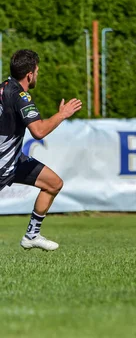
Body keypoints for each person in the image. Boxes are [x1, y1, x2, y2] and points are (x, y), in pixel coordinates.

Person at [0, 49, 82, 251]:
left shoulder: (3, 88)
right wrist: (62, 114)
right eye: (37, 71)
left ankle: (32, 235)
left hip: (13, 159)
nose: (37, 75)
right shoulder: (21, 96)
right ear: (30, 74)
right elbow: (39, 131)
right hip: (3, 162)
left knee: (53, 184)